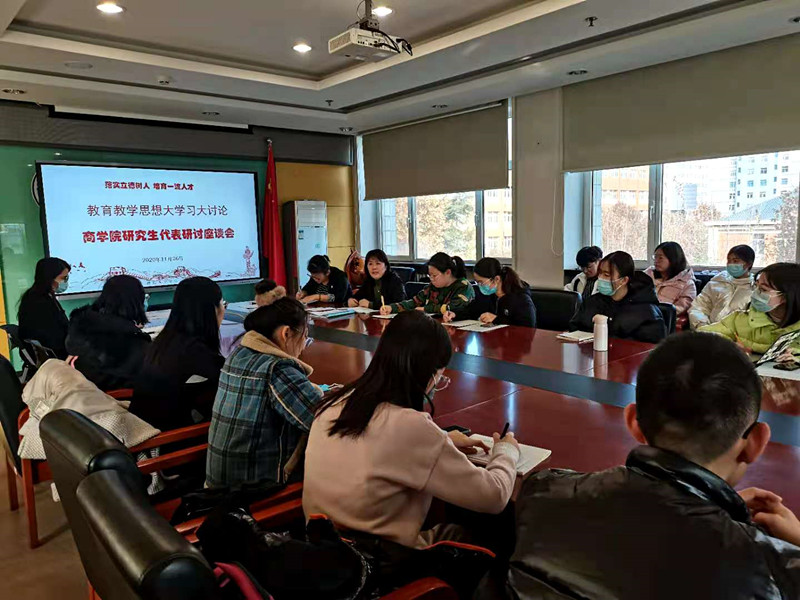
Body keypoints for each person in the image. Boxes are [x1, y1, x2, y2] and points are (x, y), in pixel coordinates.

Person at [479, 332, 800, 600]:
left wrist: (716, 508)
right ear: (756, 442)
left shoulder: (543, 491)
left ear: (633, 422)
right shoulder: (773, 565)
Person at [304, 310, 519, 549]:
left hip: (323, 550)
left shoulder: (335, 403)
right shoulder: (411, 427)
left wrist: (443, 439)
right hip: (380, 559)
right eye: (439, 377)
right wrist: (506, 451)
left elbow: (376, 443)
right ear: (427, 374)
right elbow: (493, 497)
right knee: (489, 531)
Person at [206, 297, 323, 487]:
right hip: (251, 492)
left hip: (219, 482)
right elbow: (322, 420)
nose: (304, 344)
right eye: (305, 335)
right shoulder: (277, 369)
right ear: (286, 333)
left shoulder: (238, 354)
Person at [130, 277, 226, 430]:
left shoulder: (161, 344)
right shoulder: (202, 358)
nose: (223, 309)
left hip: (143, 430)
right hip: (172, 440)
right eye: (223, 304)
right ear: (212, 310)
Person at [66, 274, 151, 390]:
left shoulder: (81, 323)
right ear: (136, 302)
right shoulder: (131, 339)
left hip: (80, 391)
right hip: (112, 395)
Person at [700, 262, 800, 355]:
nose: (755, 293)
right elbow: (702, 336)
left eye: (763, 289)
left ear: (787, 296)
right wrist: (726, 345)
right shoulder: (739, 320)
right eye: (756, 286)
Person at [569, 251, 667, 343]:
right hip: (590, 353)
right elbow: (574, 329)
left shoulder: (646, 311)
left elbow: (651, 348)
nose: (600, 278)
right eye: (600, 273)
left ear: (624, 280)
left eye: (606, 275)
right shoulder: (591, 302)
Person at [380, 253, 474, 319]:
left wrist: (425, 309)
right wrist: (392, 308)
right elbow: (414, 302)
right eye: (430, 275)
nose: (431, 279)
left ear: (448, 272)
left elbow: (454, 307)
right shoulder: (432, 286)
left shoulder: (463, 286)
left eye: (434, 275)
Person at [689, 245, 756, 330]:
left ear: (748, 264)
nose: (731, 264)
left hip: (738, 334)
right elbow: (698, 306)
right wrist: (702, 325)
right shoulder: (717, 282)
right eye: (729, 260)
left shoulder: (756, 288)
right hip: (709, 331)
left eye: (735, 261)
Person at [17, 257, 71, 359]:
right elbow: (53, 337)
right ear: (50, 278)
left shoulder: (38, 296)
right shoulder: (39, 303)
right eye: (63, 278)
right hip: (56, 356)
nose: (65, 282)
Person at [468, 257, 536, 328]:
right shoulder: (489, 296)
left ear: (496, 279)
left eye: (481, 282)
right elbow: (473, 312)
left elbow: (527, 328)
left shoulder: (521, 299)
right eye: (477, 282)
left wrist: (497, 319)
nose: (479, 286)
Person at [645, 241, 697, 329]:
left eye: (660, 258)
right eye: (655, 257)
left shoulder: (687, 283)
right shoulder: (648, 274)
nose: (656, 261)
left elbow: (680, 308)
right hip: (640, 315)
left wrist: (655, 313)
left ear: (673, 259)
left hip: (662, 322)